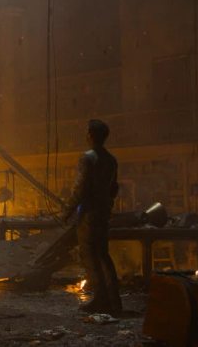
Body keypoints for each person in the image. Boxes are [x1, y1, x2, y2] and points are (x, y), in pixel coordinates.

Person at [63, 119, 122, 314]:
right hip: (103, 213)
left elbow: (81, 188)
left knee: (90, 256)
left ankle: (100, 299)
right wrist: (107, 204)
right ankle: (114, 300)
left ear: (90, 135)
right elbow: (114, 188)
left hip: (89, 214)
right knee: (103, 254)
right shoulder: (111, 160)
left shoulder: (87, 158)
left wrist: (67, 211)